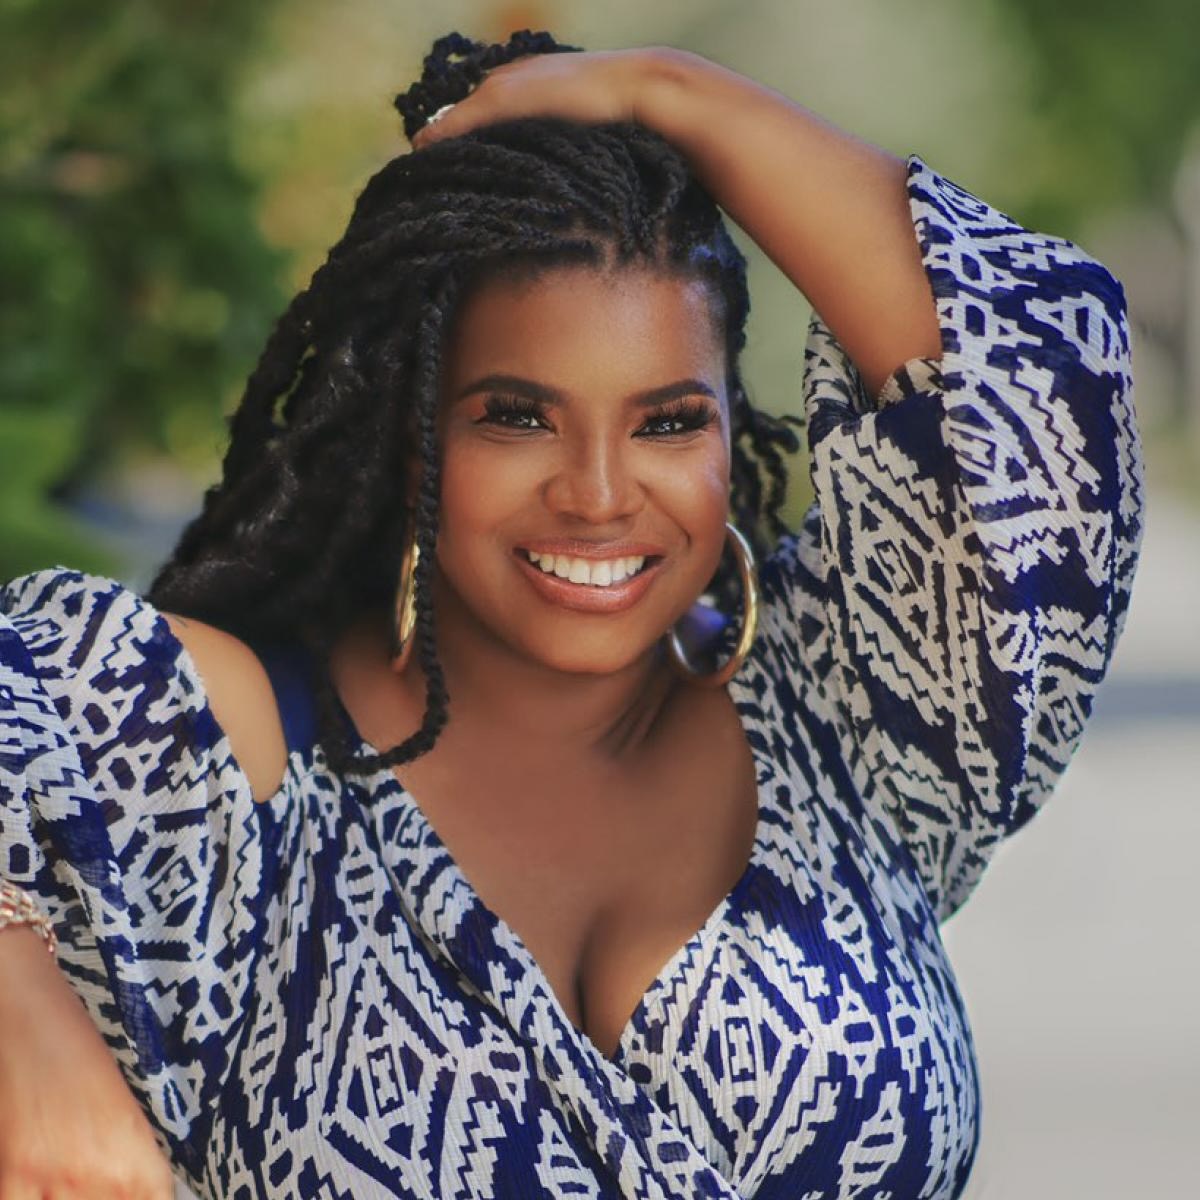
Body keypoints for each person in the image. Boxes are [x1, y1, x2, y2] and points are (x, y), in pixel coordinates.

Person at [0, 28, 1144, 1200]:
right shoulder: (242, 759)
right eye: (517, 417)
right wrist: (25, 1028)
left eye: (668, 424)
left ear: (729, 436)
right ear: (412, 435)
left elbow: (1039, 393)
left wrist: (668, 91)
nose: (598, 496)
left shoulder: (853, 710)